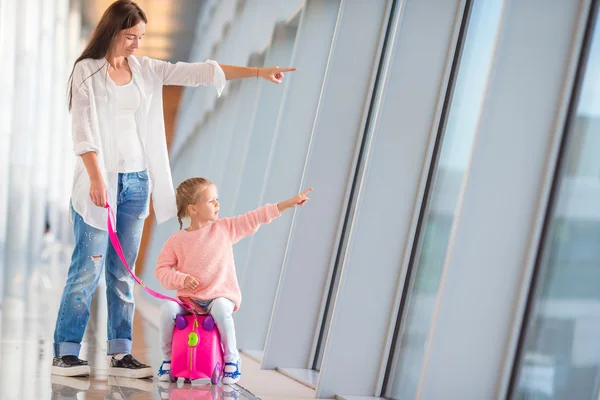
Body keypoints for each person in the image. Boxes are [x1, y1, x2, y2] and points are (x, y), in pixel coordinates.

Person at [51, 0, 296, 379]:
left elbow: (199, 72)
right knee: (89, 268)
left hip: (136, 183)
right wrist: (97, 178)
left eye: (141, 37)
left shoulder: (146, 70)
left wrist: (258, 71)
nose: (136, 44)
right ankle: (66, 352)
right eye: (131, 36)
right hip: (98, 181)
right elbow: (82, 131)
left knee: (122, 271)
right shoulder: (87, 71)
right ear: (112, 31)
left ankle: (121, 352)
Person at [155, 177, 311, 384]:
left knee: (220, 309)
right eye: (211, 201)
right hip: (189, 302)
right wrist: (180, 279)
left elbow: (255, 217)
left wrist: (287, 204)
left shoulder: (224, 229)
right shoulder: (177, 241)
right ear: (193, 209)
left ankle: (232, 360)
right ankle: (168, 360)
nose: (218, 204)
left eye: (216, 200)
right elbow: (161, 270)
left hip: (219, 296)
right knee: (167, 310)